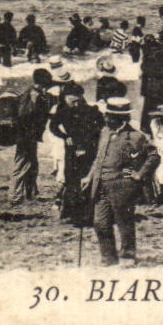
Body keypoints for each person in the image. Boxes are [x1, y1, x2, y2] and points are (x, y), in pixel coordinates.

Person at [85, 97, 158, 267]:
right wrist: (89, 176)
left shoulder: (135, 136)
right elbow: (99, 158)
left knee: (124, 222)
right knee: (100, 223)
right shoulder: (104, 133)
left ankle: (127, 255)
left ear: (120, 118)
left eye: (109, 115)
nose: (106, 118)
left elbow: (153, 156)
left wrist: (139, 175)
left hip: (122, 187)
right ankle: (108, 257)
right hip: (100, 185)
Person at [51, 82, 104, 224]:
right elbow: (53, 126)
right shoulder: (62, 109)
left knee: (86, 178)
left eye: (76, 100)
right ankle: (72, 213)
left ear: (80, 96)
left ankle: (87, 213)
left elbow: (100, 126)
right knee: (71, 179)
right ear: (65, 97)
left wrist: (93, 141)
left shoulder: (90, 110)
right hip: (71, 148)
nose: (74, 103)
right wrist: (64, 136)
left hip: (88, 147)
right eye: (71, 100)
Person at [10, 69, 55, 203]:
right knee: (21, 165)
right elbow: (25, 115)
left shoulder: (33, 93)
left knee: (32, 165)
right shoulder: (33, 95)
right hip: (26, 136)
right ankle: (15, 196)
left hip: (29, 136)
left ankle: (31, 193)